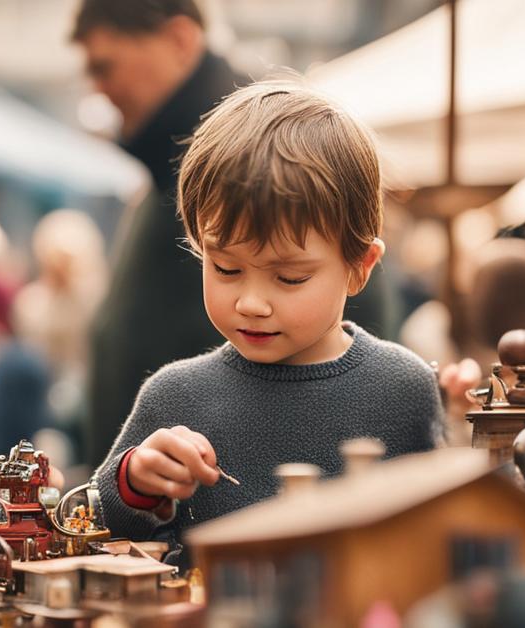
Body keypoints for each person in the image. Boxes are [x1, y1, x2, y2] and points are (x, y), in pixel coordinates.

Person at [92, 82, 442, 563]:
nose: (252, 302)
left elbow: (444, 534)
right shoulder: (175, 397)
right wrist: (134, 483)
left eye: (290, 277)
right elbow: (100, 524)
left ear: (360, 267)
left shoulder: (403, 390)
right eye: (226, 269)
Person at [72, 0, 398, 468]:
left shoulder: (271, 159)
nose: (97, 88)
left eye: (106, 66)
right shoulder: (196, 167)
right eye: (224, 267)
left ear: (180, 40)